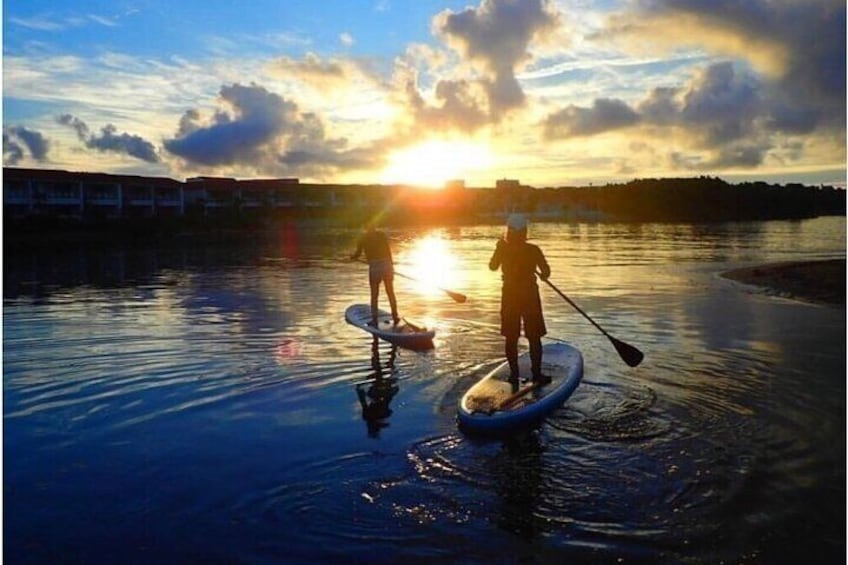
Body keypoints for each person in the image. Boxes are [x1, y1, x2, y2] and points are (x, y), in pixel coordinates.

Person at [489, 213, 551, 391]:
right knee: (534, 336)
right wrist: (543, 273)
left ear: (508, 231)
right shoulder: (533, 250)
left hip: (510, 296)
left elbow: (492, 267)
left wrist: (498, 248)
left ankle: (514, 375)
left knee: (511, 336)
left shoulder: (503, 248)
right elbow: (546, 272)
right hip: (529, 296)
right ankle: (536, 374)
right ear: (524, 231)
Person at [351, 223, 399, 326]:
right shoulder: (381, 235)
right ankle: (395, 316)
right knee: (390, 292)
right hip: (387, 264)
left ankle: (374, 320)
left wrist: (353, 257)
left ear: (365, 228)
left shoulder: (363, 238)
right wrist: (391, 266)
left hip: (375, 266)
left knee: (374, 294)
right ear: (375, 227)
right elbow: (388, 251)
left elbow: (357, 254)